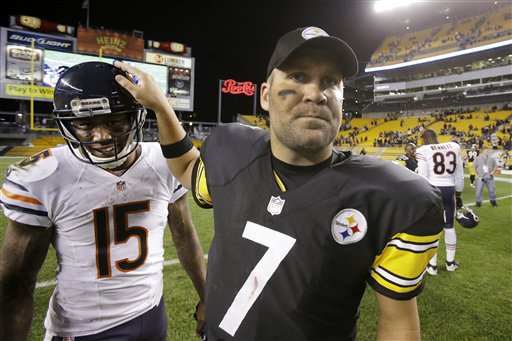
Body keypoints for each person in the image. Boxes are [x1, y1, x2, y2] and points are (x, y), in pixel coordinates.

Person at [115, 26, 444, 341]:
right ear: (266, 96)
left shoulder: (392, 197)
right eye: (298, 76)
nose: (316, 93)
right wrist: (160, 105)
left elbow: (398, 321)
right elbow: (187, 168)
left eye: (330, 81)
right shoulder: (231, 149)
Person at [0, 62, 206, 341]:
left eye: (114, 121)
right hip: (82, 329)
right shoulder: (42, 176)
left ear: (135, 116)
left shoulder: (163, 161)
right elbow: (15, 286)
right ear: (68, 123)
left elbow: (185, 237)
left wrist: (207, 296)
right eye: (85, 124)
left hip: (152, 314)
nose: (102, 136)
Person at [416, 128, 464, 275]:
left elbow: (423, 176)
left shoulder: (423, 149)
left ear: (423, 139)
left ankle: (432, 266)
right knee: (449, 226)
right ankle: (450, 263)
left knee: (432, 228)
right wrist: (458, 195)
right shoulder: (453, 146)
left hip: (433, 190)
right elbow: (459, 175)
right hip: (449, 189)